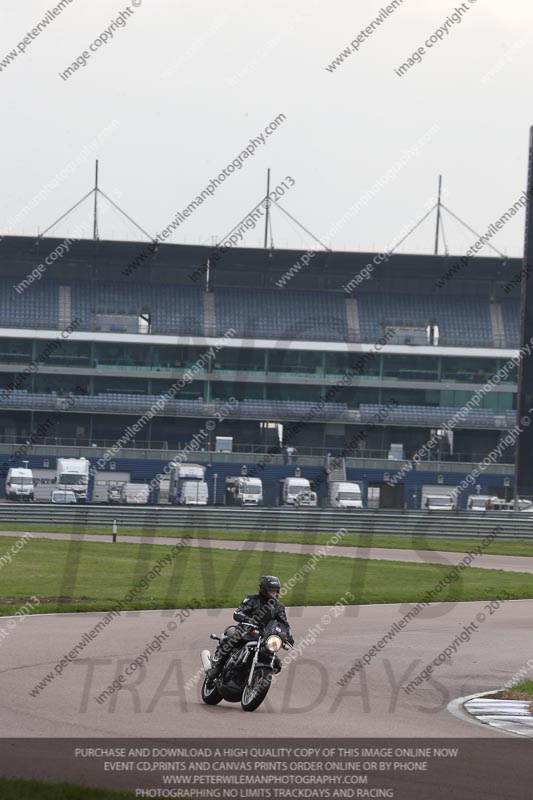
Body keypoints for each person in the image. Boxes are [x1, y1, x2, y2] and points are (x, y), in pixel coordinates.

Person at [208, 575, 294, 679]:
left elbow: (284, 623)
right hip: (246, 630)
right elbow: (238, 613)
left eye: (275, 591)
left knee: (276, 663)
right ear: (263, 590)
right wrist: (249, 621)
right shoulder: (252, 599)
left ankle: (255, 677)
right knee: (232, 637)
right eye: (270, 591)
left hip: (264, 636)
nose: (273, 593)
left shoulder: (278, 607)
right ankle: (217, 664)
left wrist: (288, 636)